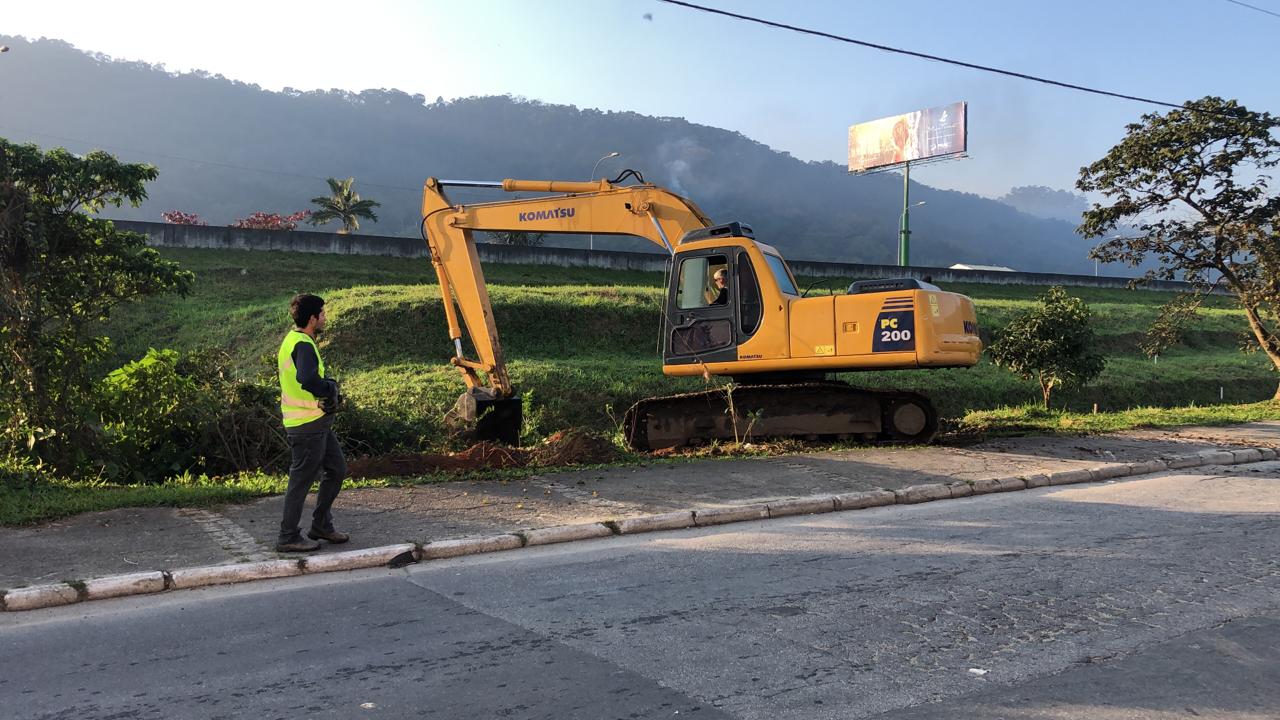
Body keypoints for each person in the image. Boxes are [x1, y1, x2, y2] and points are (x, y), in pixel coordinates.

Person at [275, 293, 349, 552]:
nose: (325, 318)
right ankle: (287, 537)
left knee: (337, 469)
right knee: (301, 481)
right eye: (323, 314)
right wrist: (329, 387)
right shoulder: (303, 344)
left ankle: (321, 525)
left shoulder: (294, 340)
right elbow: (307, 379)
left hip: (315, 423)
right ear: (312, 318)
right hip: (307, 426)